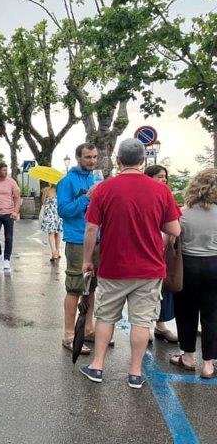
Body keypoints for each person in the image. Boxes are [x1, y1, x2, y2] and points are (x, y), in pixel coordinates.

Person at [80, 139, 181, 389]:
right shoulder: (161, 190)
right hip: (149, 268)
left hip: (113, 267)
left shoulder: (104, 189)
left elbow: (91, 228)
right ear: (143, 161)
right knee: (141, 321)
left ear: (118, 160)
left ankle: (97, 366)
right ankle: (135, 373)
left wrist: (87, 260)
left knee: (105, 317)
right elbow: (175, 229)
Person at [169, 169, 217, 378]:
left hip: (187, 265)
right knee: (212, 314)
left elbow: (172, 239)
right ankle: (209, 364)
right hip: (214, 263)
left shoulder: (183, 212)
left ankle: (188, 356)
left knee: (186, 311)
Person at [57, 143, 100, 355]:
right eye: (88, 157)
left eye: (95, 157)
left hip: (97, 239)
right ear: (78, 158)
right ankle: (69, 334)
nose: (92, 161)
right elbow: (63, 210)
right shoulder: (67, 181)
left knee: (91, 287)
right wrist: (86, 198)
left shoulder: (96, 178)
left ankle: (89, 329)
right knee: (75, 286)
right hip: (77, 240)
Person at [144, 165, 178, 343]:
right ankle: (145, 326)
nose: (164, 179)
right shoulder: (145, 195)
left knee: (164, 290)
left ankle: (160, 325)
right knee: (146, 291)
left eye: (165, 176)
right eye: (159, 176)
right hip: (149, 249)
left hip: (164, 249)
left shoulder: (167, 195)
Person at [41, 184, 63, 262]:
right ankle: (57, 251)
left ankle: (54, 252)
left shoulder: (46, 190)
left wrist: (45, 194)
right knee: (57, 233)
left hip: (49, 214)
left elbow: (43, 202)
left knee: (51, 233)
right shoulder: (61, 190)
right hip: (58, 213)